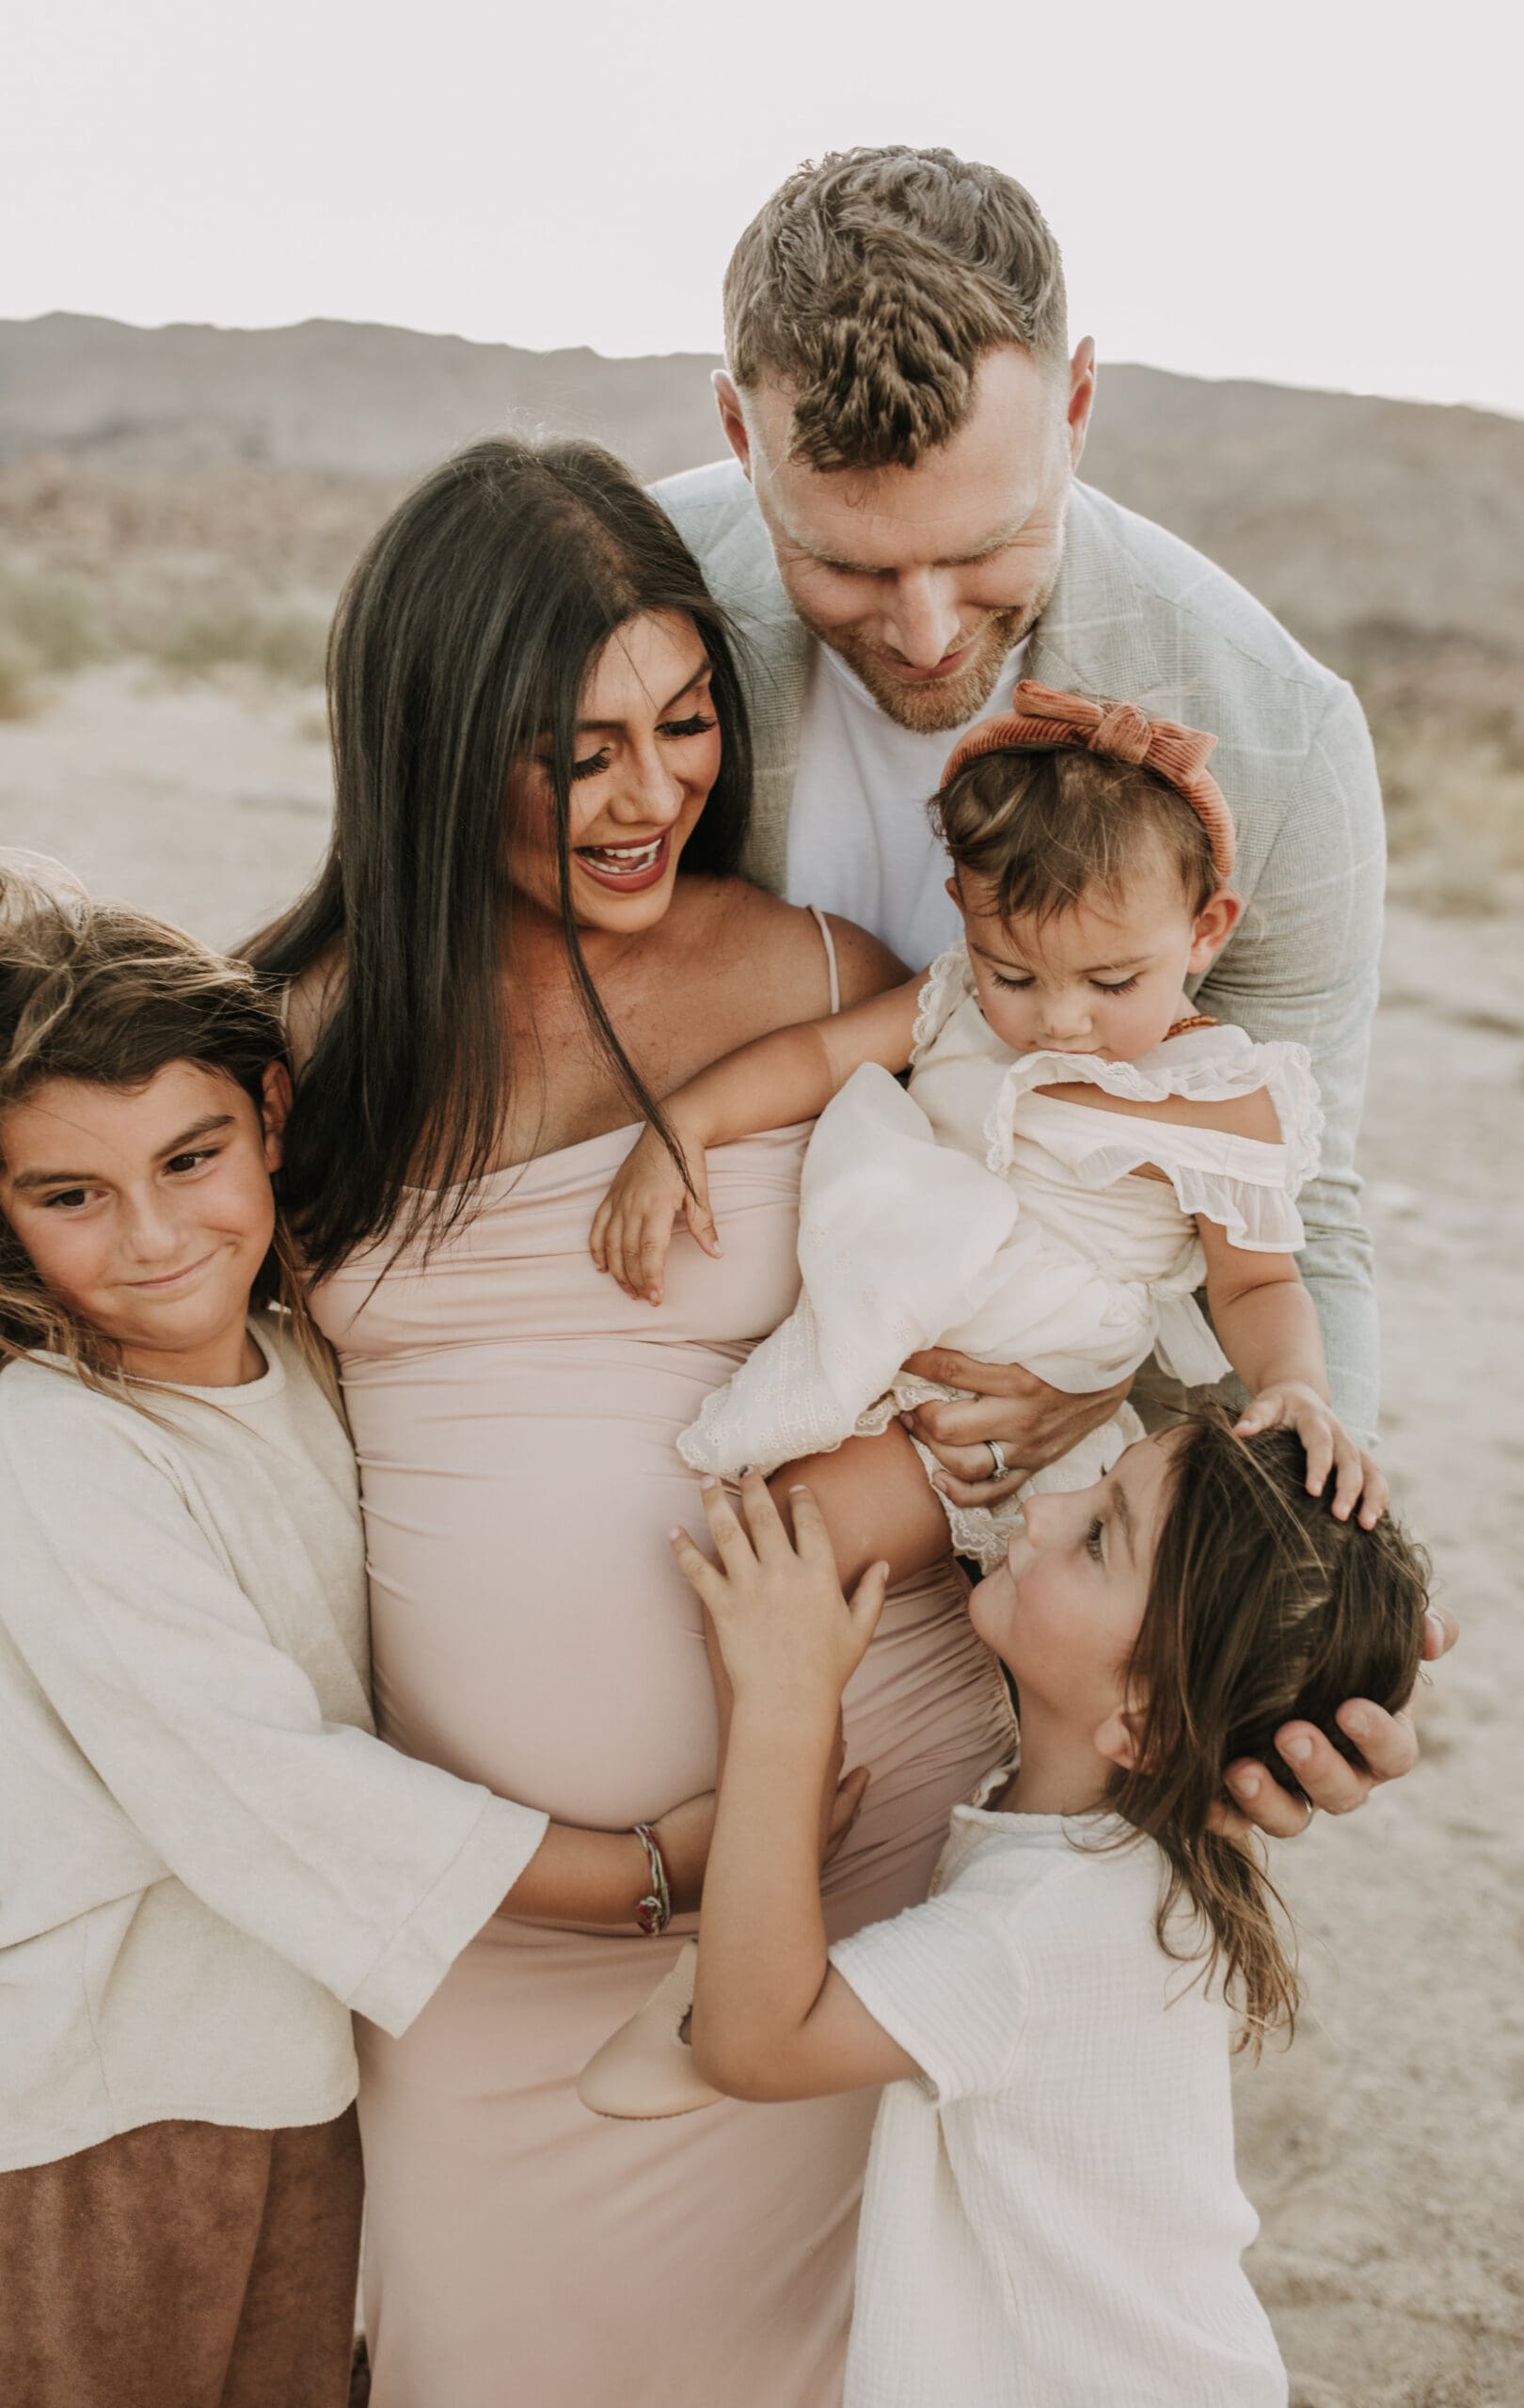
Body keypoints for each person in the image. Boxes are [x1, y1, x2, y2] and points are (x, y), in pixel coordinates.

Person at [249, 434, 1018, 2408]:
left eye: (682, 722)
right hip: (490, 1919)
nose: (650, 787)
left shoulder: (826, 978)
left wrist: (921, 1493)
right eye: (575, 745)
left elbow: (1027, 1350)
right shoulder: (290, 1042)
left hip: (846, 1837)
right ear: (428, 737)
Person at [0, 865, 766, 2408]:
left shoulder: (300, 1356)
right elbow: (277, 1784)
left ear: (271, 1118)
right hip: (94, 2101)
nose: (151, 1236)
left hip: (289, 2058)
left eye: (190, 1158)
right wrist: (651, 1873)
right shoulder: (45, 1445)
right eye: (67, 1195)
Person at [655, 146, 1389, 1687]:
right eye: (845, 562)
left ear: (1075, 405)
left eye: (983, 547)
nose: (923, 629)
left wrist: (1299, 1613)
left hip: (1032, 1490)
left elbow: (1295, 1225)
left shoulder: (1273, 735)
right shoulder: (625, 608)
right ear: (738, 428)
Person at [670, 1424, 1432, 2405]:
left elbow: (753, 2044)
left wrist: (784, 1700)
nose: (1043, 1510)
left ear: (1147, 1722)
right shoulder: (1134, 1850)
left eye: (1100, 1537)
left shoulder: (1034, 1924)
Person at [591, 680, 1385, 1589]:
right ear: (962, 914)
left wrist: (1295, 1385)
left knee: (787, 1555)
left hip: (995, 1403)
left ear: (1205, 932)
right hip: (879, 1328)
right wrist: (683, 1123)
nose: (1059, 1020)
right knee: (764, 1542)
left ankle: (784, 1737)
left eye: (1112, 983)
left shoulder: (1219, 1099)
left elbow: (1257, 1283)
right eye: (1012, 972)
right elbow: (815, 1055)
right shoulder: (956, 1001)